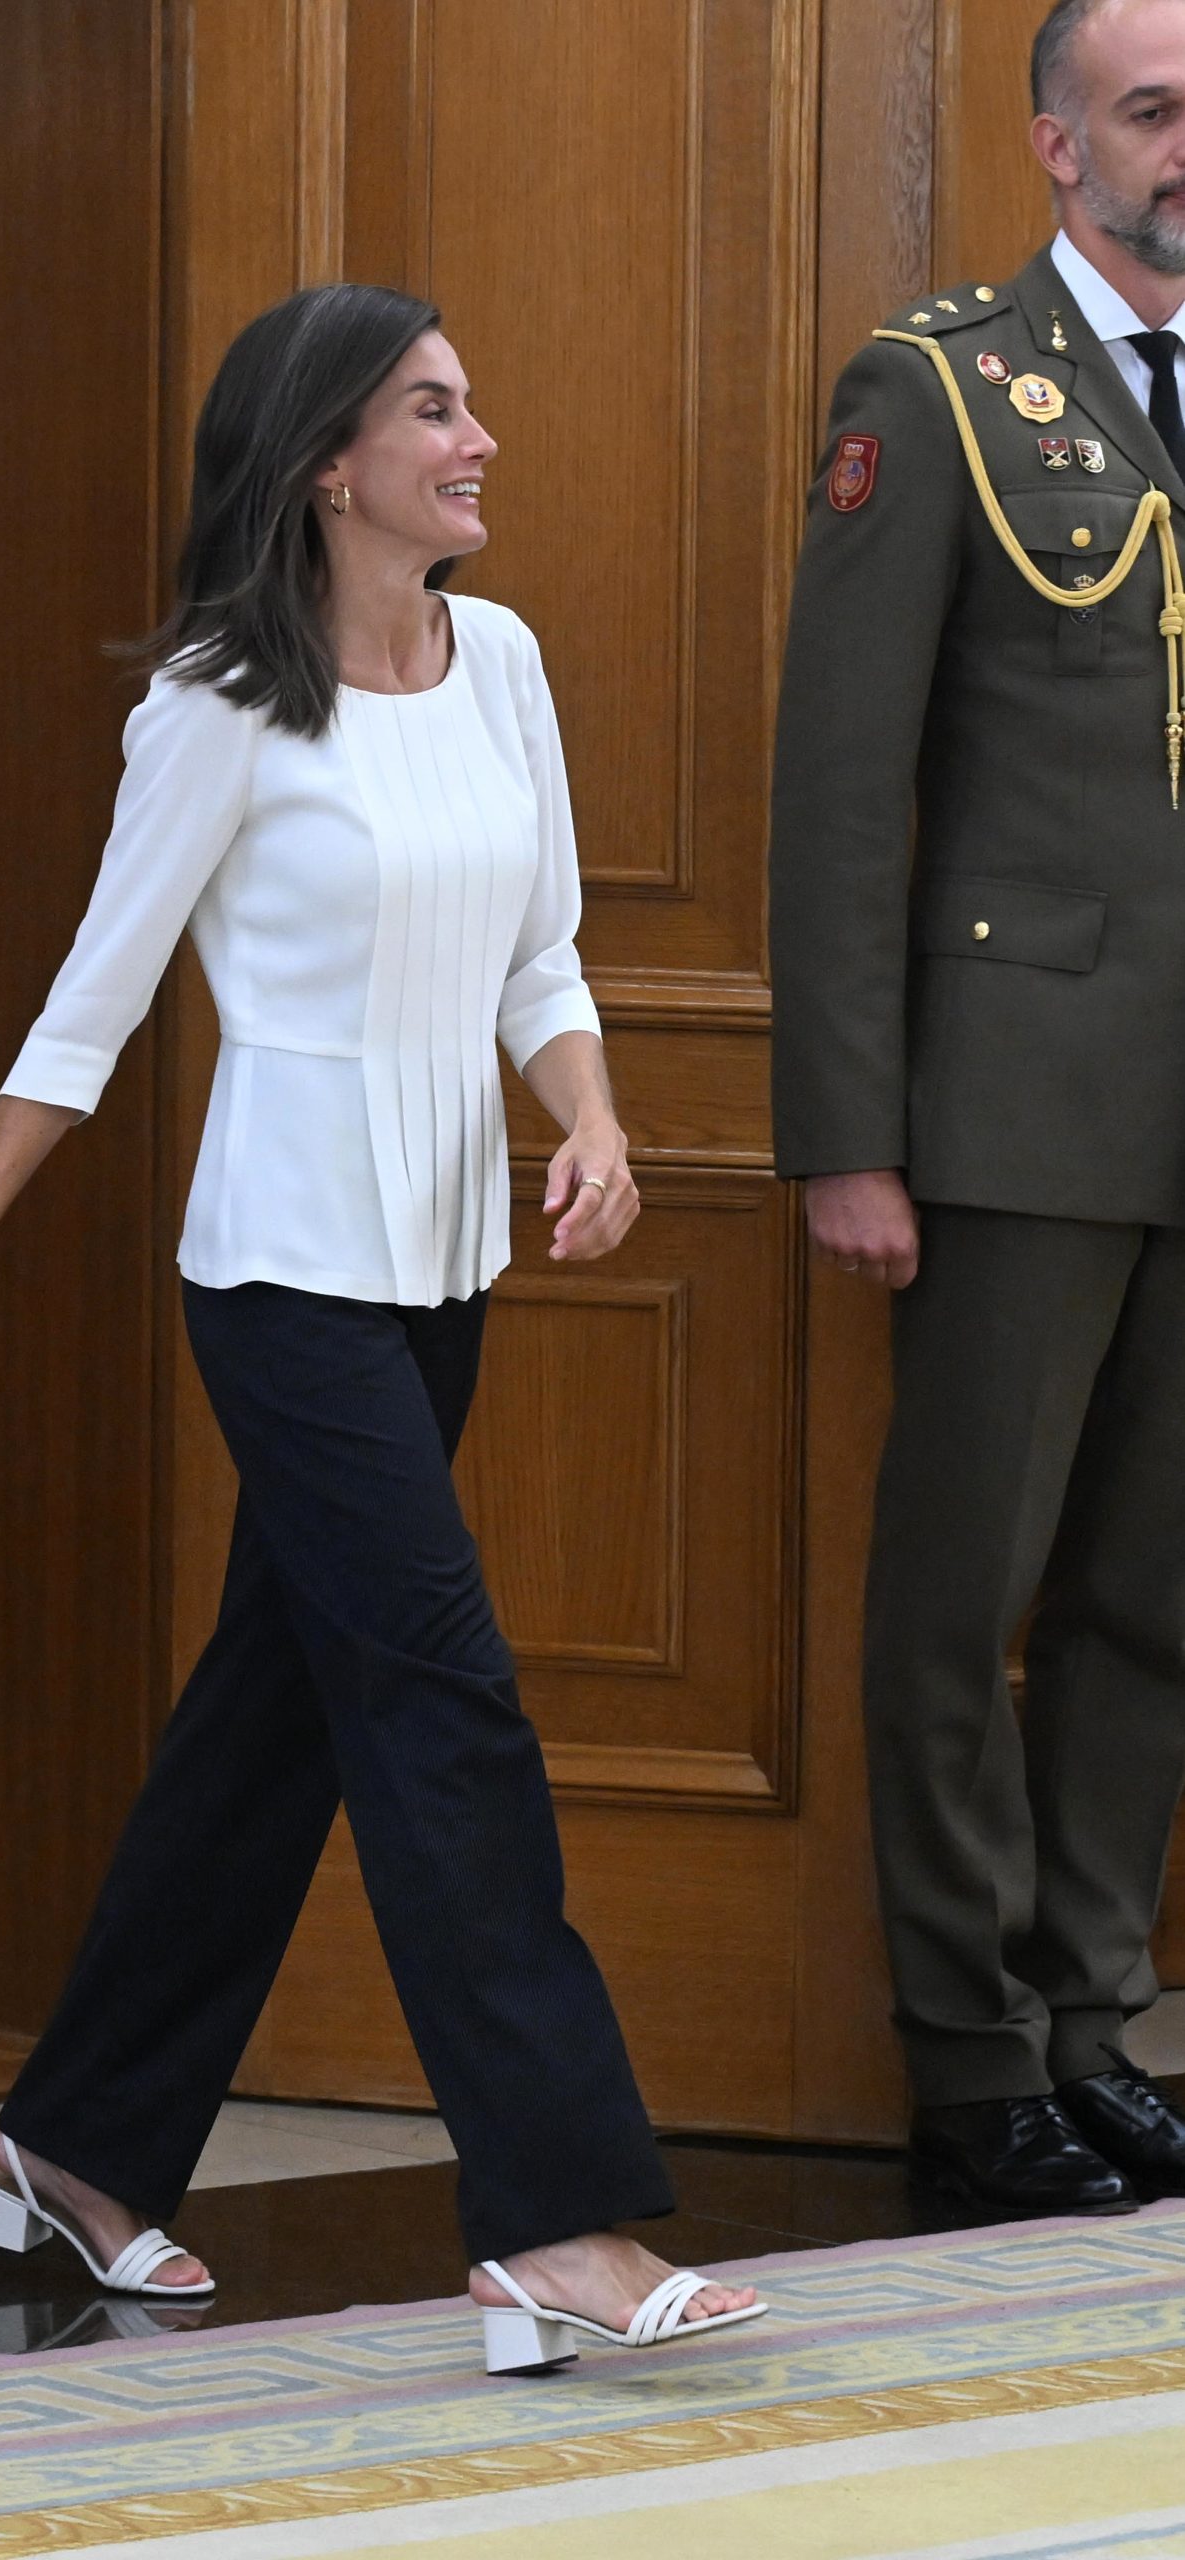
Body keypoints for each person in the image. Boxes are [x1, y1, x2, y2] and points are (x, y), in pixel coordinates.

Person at [0, 284, 763, 2370]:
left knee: (271, 1717)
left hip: (437, 1273)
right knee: (443, 1704)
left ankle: (73, 2142)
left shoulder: (503, 661)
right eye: (435, 409)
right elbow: (88, 1008)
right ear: (326, 463)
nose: (481, 438)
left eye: (470, 400)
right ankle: (553, 2219)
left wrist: (596, 1120)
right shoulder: (211, 704)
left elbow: (539, 951)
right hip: (278, 1279)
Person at [770, 0, 1185, 2219]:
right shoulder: (927, 387)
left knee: (1148, 1597)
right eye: (1149, 107)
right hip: (1012, 1104)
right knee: (966, 1593)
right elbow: (840, 792)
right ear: (1054, 144)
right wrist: (846, 1128)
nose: (1182, 144)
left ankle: (1086, 2016)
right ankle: (962, 2053)